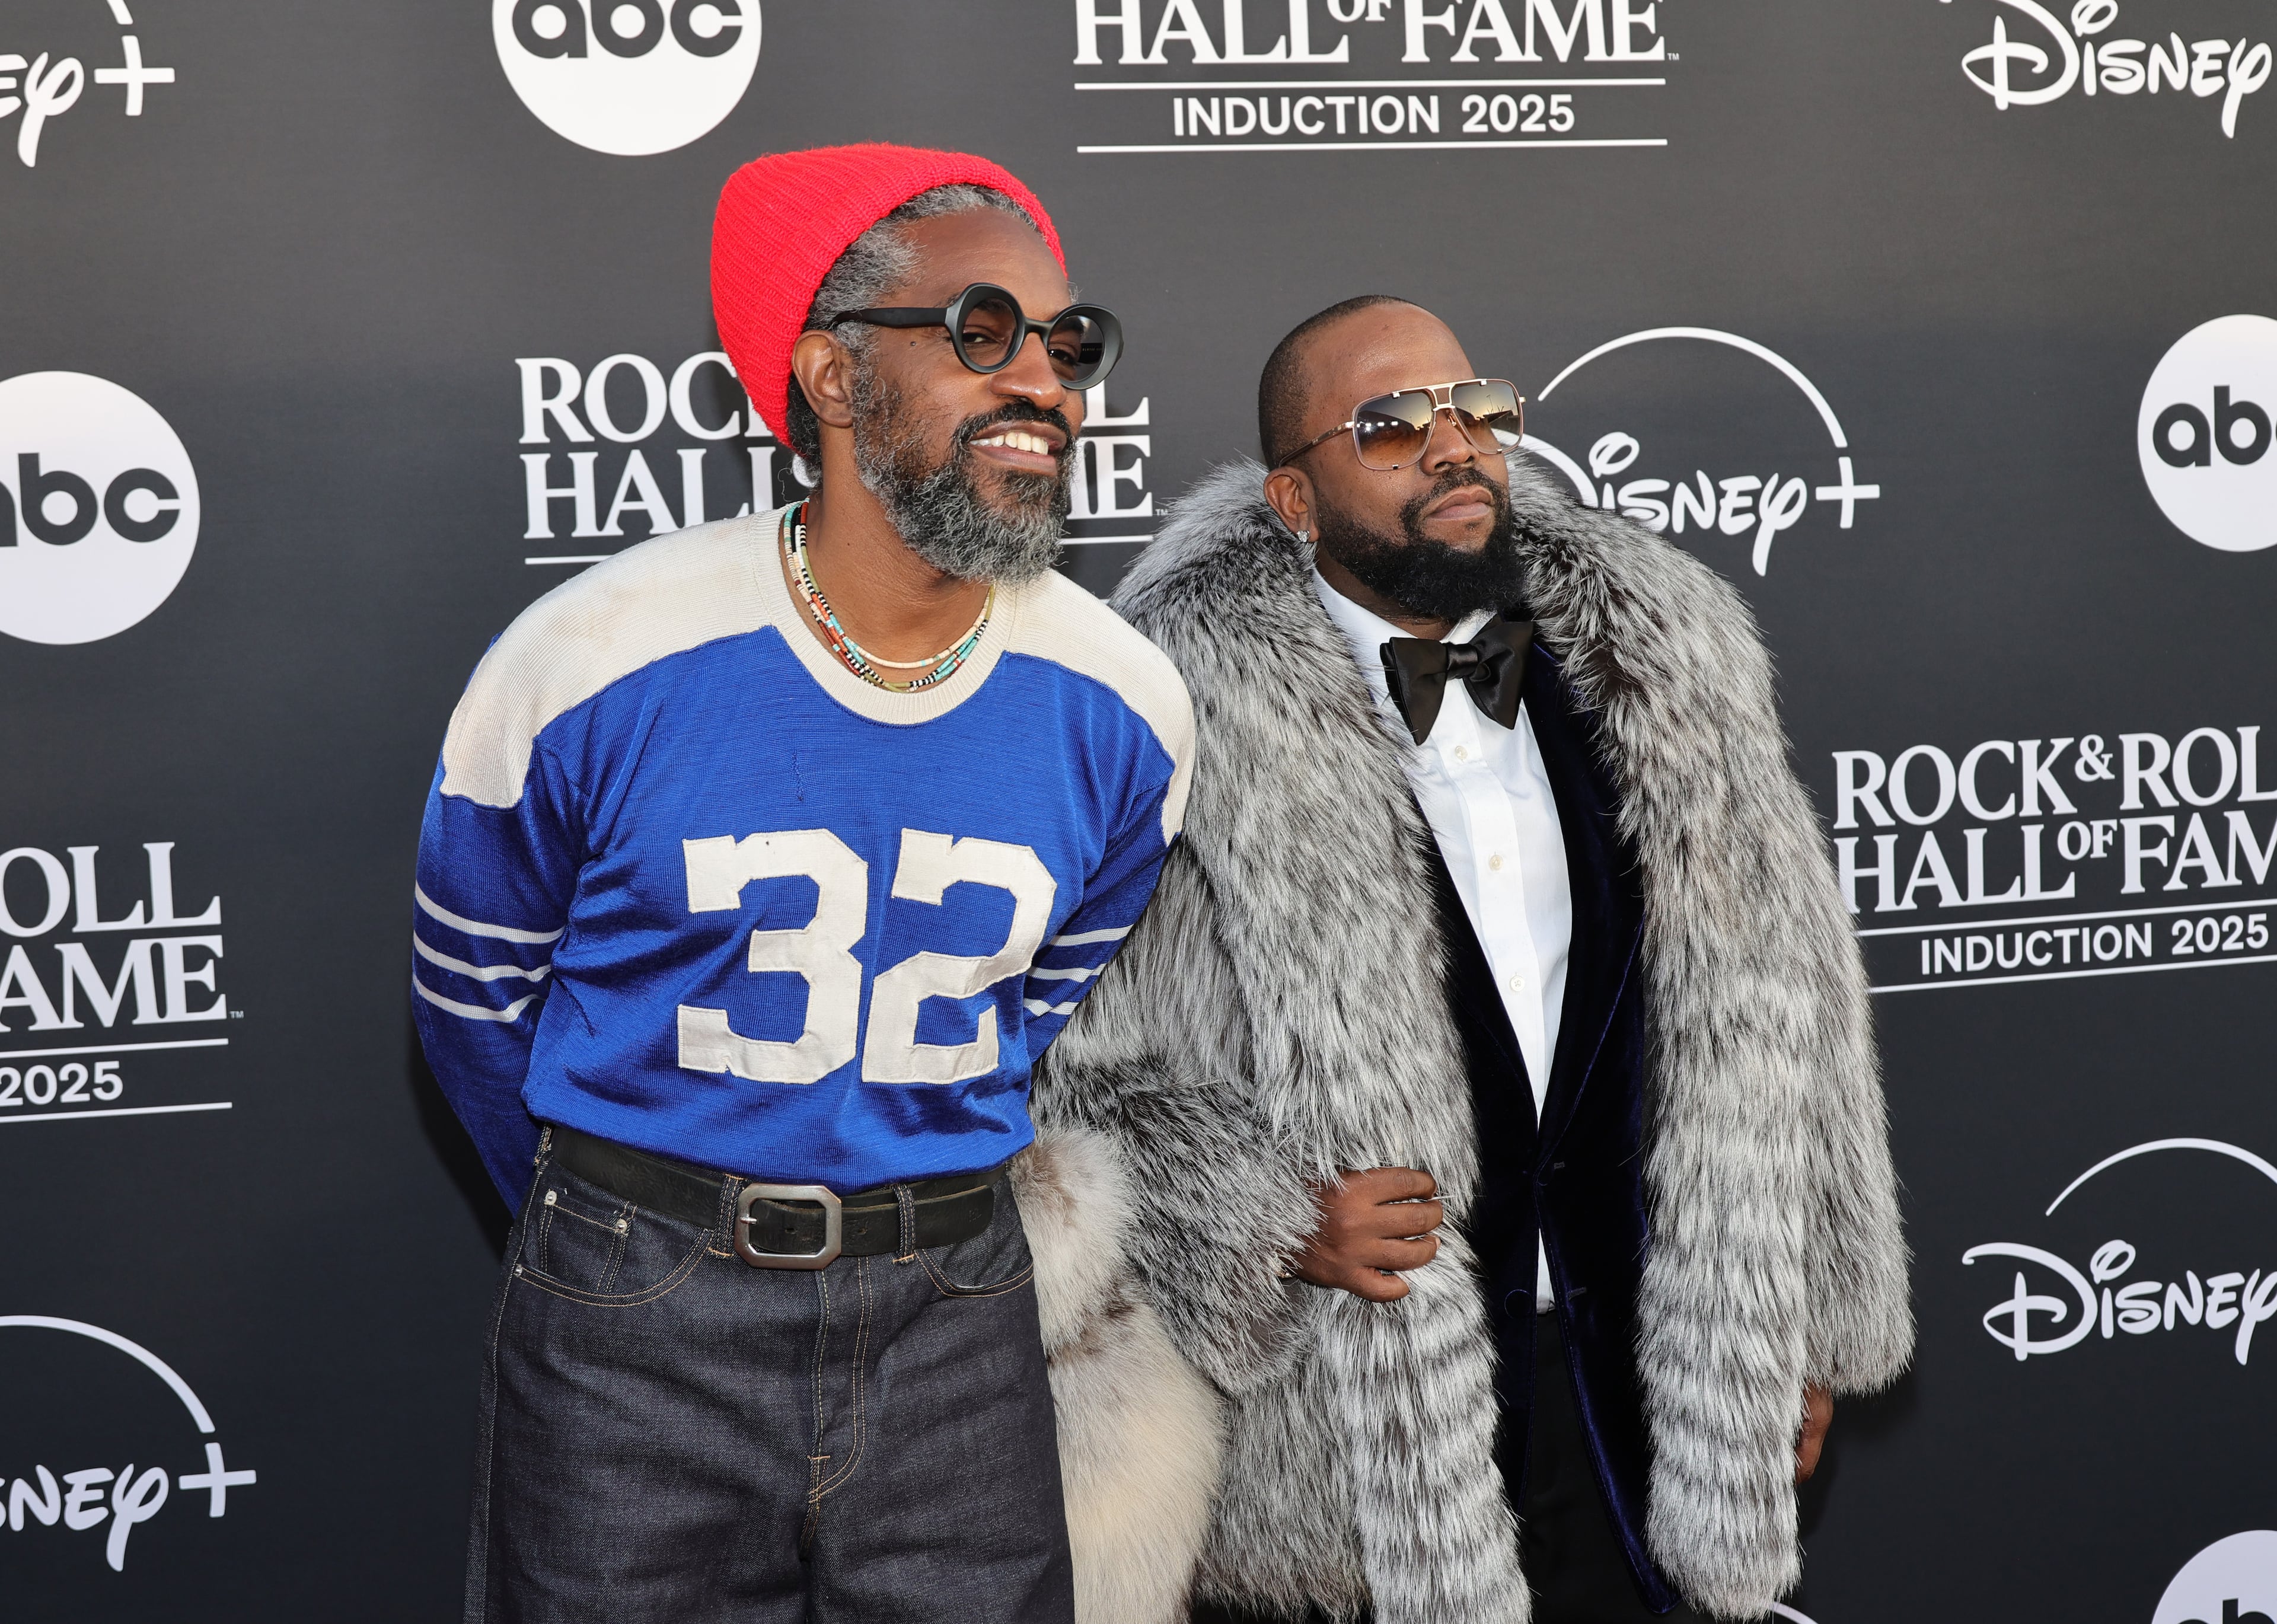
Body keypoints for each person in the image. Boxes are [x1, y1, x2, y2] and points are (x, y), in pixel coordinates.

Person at [1029, 296, 1911, 1624]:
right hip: (1362, 1418)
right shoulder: (1171, 720)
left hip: (1651, 1382)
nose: (1454, 445)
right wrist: (1261, 1214)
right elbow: (1063, 1072)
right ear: (1292, 496)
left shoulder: (1664, 669)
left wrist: (1805, 1315)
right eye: (1390, 424)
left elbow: (1796, 1009)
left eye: (1477, 408)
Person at [410, 143, 1193, 1624]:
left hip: (958, 1305)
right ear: (835, 381)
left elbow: (1037, 994)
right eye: (983, 333)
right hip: (639, 1319)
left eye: (1066, 343)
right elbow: (473, 1008)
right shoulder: (592, 660)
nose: (1046, 379)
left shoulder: (1126, 700)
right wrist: (636, 1217)